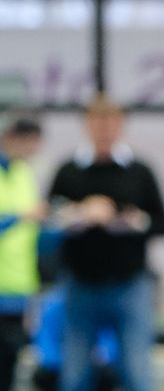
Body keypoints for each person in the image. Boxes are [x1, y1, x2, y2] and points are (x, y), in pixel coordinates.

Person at [45, 96, 164, 391]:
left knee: (137, 370)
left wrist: (134, 222)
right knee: (75, 371)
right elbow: (49, 217)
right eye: (98, 122)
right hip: (81, 282)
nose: (104, 129)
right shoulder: (69, 170)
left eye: (111, 122)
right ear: (87, 125)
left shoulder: (139, 171)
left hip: (129, 281)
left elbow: (163, 223)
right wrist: (79, 214)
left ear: (121, 126)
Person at [0, 116, 45, 391]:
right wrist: (19, 217)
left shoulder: (24, 173)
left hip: (18, 288)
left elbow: (35, 231)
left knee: (9, 366)